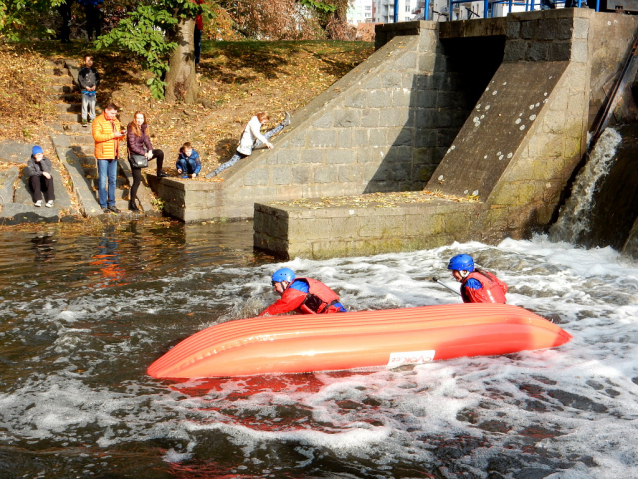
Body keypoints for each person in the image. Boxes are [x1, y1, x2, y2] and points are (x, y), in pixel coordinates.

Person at [206, 111, 291, 178]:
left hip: (242, 148)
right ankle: (284, 123)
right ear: (261, 119)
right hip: (248, 148)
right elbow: (257, 134)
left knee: (230, 162)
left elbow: (245, 132)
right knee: (267, 134)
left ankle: (213, 173)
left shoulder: (254, 119)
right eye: (264, 121)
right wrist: (267, 143)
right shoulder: (254, 124)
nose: (264, 124)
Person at [258, 268, 347, 316]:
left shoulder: (295, 291)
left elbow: (279, 308)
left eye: (275, 285)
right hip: (333, 312)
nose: (275, 289)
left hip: (334, 315)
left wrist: (259, 318)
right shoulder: (298, 286)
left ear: (284, 282)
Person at [126, 111, 167, 212]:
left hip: (143, 153)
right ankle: (132, 203)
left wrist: (150, 151)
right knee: (137, 180)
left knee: (159, 153)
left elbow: (147, 141)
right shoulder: (131, 128)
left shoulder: (143, 128)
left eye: (141, 118)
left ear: (144, 119)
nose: (139, 120)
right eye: (138, 118)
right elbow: (132, 146)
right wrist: (144, 154)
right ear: (134, 118)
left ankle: (159, 172)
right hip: (135, 156)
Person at [93, 102, 124, 214]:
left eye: (115, 113)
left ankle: (112, 203)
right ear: (106, 110)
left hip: (114, 154)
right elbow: (97, 137)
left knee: (113, 180)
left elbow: (117, 138)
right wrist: (113, 135)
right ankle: (103, 204)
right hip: (103, 155)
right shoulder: (98, 121)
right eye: (112, 113)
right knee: (102, 180)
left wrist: (121, 135)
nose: (113, 116)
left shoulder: (115, 121)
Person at [78, 54, 100, 127]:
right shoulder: (82, 70)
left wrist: (95, 85)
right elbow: (80, 80)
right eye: (88, 61)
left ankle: (92, 118)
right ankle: (84, 119)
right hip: (85, 90)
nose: (90, 62)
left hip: (92, 91)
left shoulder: (94, 70)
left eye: (91, 61)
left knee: (92, 105)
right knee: (85, 104)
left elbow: (97, 79)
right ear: (85, 61)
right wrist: (85, 86)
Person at [194, 0, 204, 68]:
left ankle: (196, 62)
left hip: (197, 25)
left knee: (197, 44)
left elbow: (202, 4)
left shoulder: (199, 3)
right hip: (189, 24)